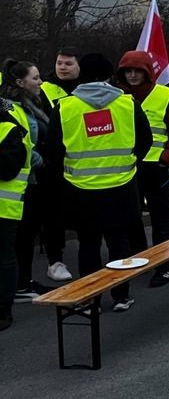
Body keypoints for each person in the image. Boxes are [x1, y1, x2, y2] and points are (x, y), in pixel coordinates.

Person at [45, 53, 150, 312]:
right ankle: (122, 296)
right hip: (122, 184)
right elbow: (145, 140)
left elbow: (53, 148)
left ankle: (90, 299)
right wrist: (128, 161)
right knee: (119, 243)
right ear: (109, 75)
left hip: (80, 187)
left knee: (88, 244)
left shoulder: (65, 106)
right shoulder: (127, 103)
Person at [115, 51, 169, 288]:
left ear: (147, 73)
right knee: (132, 218)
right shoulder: (117, 96)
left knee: (160, 218)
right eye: (128, 71)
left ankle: (165, 265)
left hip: (156, 166)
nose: (132, 76)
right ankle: (140, 258)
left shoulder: (167, 95)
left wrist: (168, 157)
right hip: (127, 167)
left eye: (137, 71)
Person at [2, 60, 63, 301]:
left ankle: (23, 281)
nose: (40, 82)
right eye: (35, 78)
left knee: (27, 234)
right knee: (22, 237)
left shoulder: (35, 102)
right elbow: (20, 141)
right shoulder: (8, 106)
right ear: (20, 82)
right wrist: (40, 159)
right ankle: (19, 285)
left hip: (36, 180)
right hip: (24, 181)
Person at [33, 48, 75, 281]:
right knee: (53, 215)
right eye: (59, 63)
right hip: (54, 164)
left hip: (84, 164)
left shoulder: (85, 90)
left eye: (68, 63)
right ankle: (55, 260)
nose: (62, 67)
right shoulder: (45, 89)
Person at [0, 94, 32, 331]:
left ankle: (3, 311)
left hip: (3, 210)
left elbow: (9, 168)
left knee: (4, 260)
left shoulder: (9, 129)